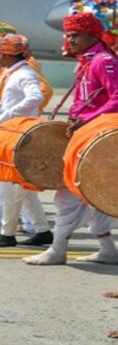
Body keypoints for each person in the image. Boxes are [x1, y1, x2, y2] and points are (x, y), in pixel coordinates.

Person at [24, 13, 117, 266]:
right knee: (92, 196)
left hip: (94, 138)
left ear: (92, 36)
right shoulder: (89, 61)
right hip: (85, 135)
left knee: (67, 195)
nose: (69, 40)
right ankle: (107, 248)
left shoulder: (103, 61)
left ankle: (57, 249)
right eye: (67, 35)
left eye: (75, 35)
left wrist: (88, 119)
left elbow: (117, 98)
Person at [0, 34, 53, 248]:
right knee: (22, 188)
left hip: (18, 136)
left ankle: (7, 235)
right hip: (9, 133)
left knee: (8, 185)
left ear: (3, 53)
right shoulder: (12, 73)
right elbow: (1, 104)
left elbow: (35, 97)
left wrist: (2, 117)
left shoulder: (24, 73)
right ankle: (43, 230)